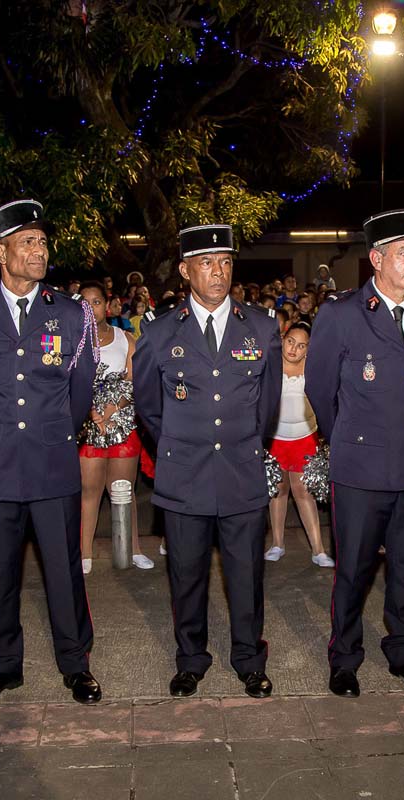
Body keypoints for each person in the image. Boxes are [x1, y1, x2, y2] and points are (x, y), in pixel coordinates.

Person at [0, 199, 102, 705]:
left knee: (62, 569)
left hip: (51, 460)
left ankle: (75, 663)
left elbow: (81, 390)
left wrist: (53, 432)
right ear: (1, 252)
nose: (40, 251)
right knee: (0, 573)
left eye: (42, 241)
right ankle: (4, 666)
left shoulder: (70, 312)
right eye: (28, 243)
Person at [132, 223, 281, 700]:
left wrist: (244, 446)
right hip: (184, 474)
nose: (218, 273)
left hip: (241, 472)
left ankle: (248, 659)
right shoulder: (158, 332)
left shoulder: (260, 325)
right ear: (185, 271)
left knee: (245, 575)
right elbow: (148, 408)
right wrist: (179, 445)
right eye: (206, 263)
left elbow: (268, 406)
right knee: (187, 575)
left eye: (225, 263)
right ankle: (190, 659)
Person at [305, 209, 404, 698]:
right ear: (376, 259)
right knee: (355, 569)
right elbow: (320, 391)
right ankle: (345, 657)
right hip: (362, 469)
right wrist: (345, 436)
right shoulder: (342, 314)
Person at [76, 281, 153, 575]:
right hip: (88, 428)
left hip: (121, 423)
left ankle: (133, 549)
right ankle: (84, 554)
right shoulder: (74, 342)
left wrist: (111, 408)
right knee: (89, 491)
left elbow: (135, 381)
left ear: (106, 305)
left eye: (95, 302)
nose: (90, 308)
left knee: (124, 491)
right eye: (84, 304)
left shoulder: (124, 338)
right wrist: (91, 413)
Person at [266, 321, 333, 567]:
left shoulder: (314, 369)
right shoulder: (271, 366)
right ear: (283, 339)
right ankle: (277, 543)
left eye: (301, 345)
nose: (293, 349)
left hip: (306, 438)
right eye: (290, 342)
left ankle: (318, 549)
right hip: (275, 439)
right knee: (279, 490)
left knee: (304, 492)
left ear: (309, 349)